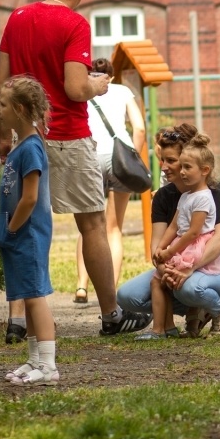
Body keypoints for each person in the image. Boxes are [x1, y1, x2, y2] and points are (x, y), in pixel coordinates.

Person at [0, 0, 150, 338]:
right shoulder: (75, 23)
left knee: (26, 226)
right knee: (93, 223)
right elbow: (73, 88)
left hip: (26, 137)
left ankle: (17, 320)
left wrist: (3, 134)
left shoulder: (16, 18)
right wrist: (99, 85)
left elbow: (1, 82)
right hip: (67, 135)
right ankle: (112, 315)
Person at [117, 124, 220, 339]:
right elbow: (158, 242)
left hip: (218, 263)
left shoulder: (212, 191)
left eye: (171, 161)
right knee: (127, 296)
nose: (164, 166)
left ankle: (215, 310)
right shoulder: (164, 197)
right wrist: (163, 264)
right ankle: (180, 317)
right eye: (162, 160)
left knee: (188, 288)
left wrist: (189, 268)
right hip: (178, 259)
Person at [0, 76, 58, 385]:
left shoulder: (31, 149)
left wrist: (12, 229)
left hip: (27, 235)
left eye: (3, 105)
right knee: (25, 293)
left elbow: (30, 197)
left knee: (34, 297)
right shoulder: (21, 147)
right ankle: (34, 359)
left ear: (19, 109)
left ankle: (48, 366)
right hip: (17, 236)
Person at [138, 134, 220, 340]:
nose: (182, 172)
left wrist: (170, 251)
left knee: (179, 284)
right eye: (182, 167)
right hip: (180, 245)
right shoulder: (186, 196)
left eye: (186, 167)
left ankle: (217, 311)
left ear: (204, 171)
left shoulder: (205, 197)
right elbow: (174, 226)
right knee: (157, 280)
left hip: (194, 247)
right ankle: (163, 328)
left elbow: (193, 232)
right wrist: (161, 249)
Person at [74, 58, 146, 304]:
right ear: (111, 77)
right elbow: (140, 128)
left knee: (88, 226)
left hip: (90, 156)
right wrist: (133, 157)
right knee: (114, 228)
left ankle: (81, 286)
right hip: (119, 159)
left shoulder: (82, 90)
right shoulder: (123, 90)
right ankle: (110, 291)